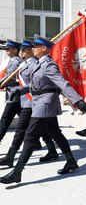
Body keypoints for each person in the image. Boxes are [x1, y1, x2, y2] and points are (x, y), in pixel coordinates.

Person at [0, 35, 86, 184]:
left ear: (43, 49)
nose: (32, 49)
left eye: (35, 46)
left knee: (29, 137)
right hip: (40, 103)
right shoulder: (38, 64)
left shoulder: (49, 65)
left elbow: (62, 83)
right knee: (56, 134)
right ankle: (71, 161)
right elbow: (37, 85)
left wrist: (78, 101)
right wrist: (21, 91)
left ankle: (17, 172)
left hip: (45, 105)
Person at [0, 39, 59, 168]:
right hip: (25, 99)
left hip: (31, 100)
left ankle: (11, 157)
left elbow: (35, 83)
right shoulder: (24, 63)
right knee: (49, 129)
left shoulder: (34, 63)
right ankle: (53, 150)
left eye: (23, 49)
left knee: (22, 129)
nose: (21, 52)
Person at [0, 39, 22, 142]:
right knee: (27, 121)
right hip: (14, 94)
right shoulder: (13, 60)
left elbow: (10, 77)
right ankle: (41, 143)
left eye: (8, 49)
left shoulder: (16, 62)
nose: (6, 51)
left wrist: (0, 83)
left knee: (5, 119)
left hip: (15, 94)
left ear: (15, 50)